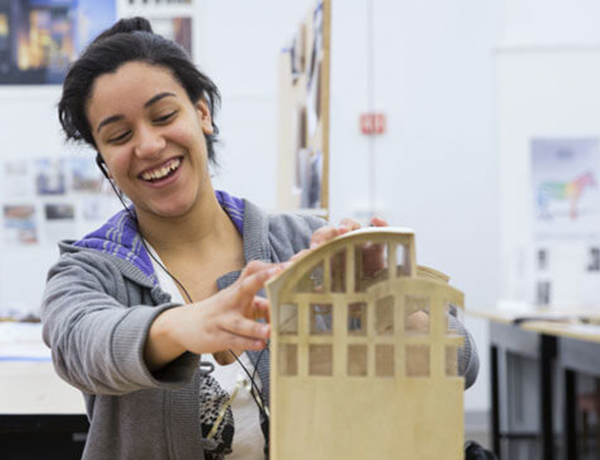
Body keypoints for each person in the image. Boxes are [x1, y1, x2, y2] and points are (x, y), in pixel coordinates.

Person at [42, 17, 479, 460]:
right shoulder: (89, 270)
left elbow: (460, 368)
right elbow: (82, 345)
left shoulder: (304, 245)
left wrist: (382, 300)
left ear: (202, 113)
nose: (150, 145)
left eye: (164, 116)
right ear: (104, 160)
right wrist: (188, 325)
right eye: (119, 135)